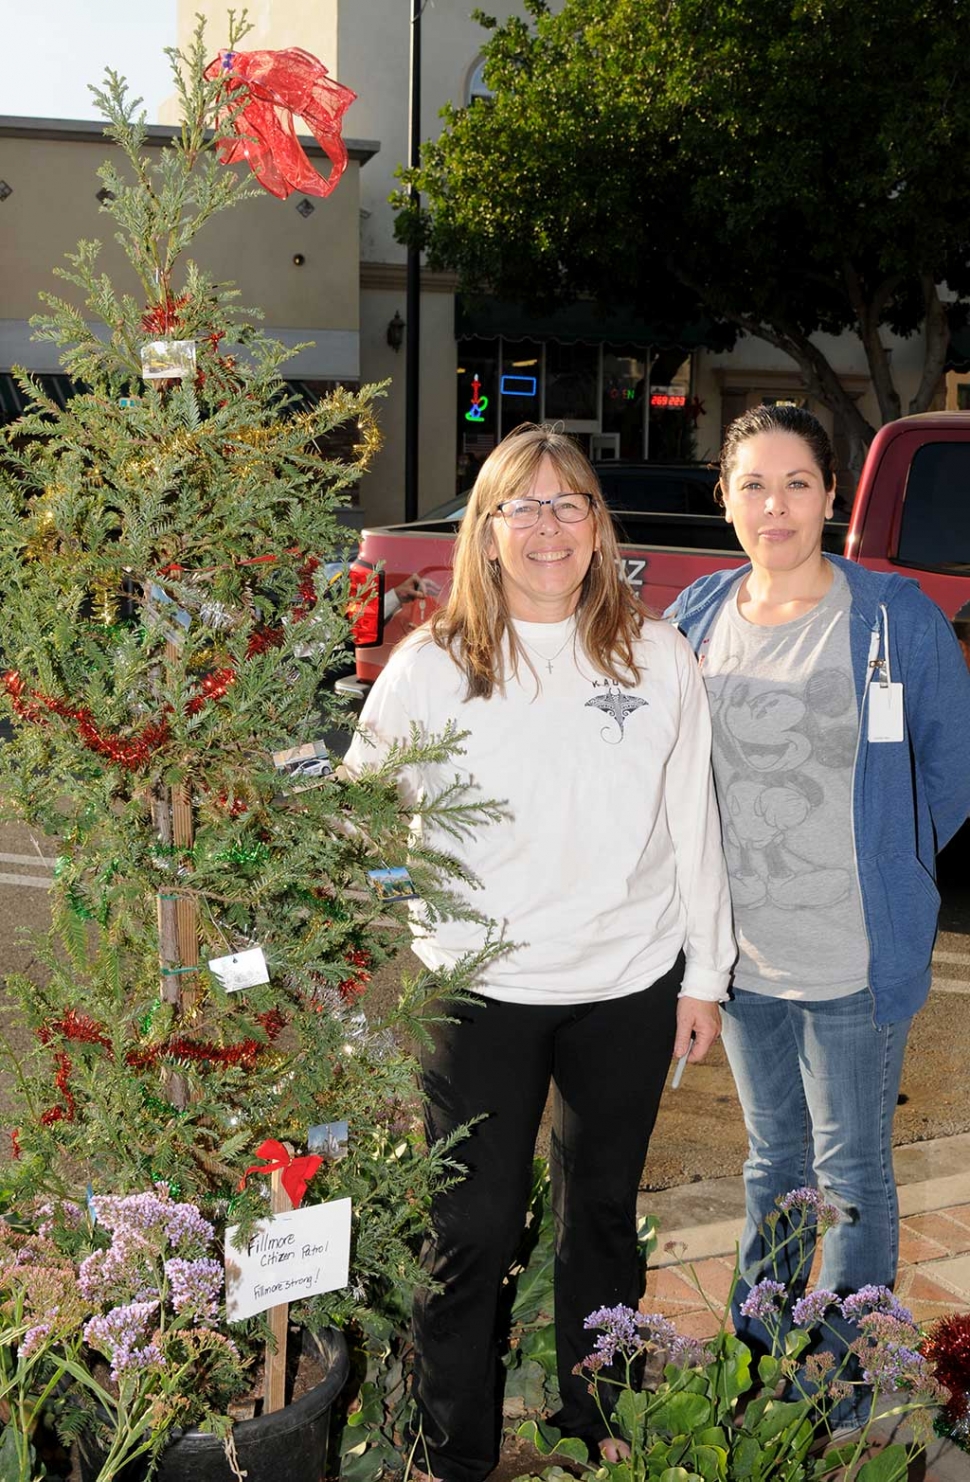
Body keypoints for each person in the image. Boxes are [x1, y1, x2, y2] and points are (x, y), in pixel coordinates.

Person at [343, 424, 734, 1482]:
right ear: (487, 528)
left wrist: (706, 975)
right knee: (468, 1225)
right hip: (475, 987)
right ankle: (449, 1445)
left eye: (570, 504)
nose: (549, 525)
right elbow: (359, 808)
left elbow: (691, 819)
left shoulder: (655, 656)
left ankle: (593, 1410)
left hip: (626, 981)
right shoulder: (430, 664)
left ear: (599, 528)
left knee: (599, 1215)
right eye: (525, 504)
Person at [666, 404, 970, 1421]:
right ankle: (759, 1352)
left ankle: (844, 1373)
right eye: (752, 484)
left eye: (796, 482)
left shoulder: (891, 618)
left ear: (831, 494)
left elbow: (950, 765)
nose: (775, 505)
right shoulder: (697, 615)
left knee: (849, 1170)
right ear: (724, 498)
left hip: (851, 952)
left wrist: (893, 864)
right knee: (772, 1163)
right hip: (741, 960)